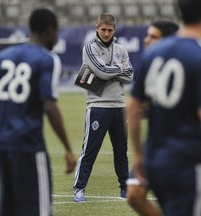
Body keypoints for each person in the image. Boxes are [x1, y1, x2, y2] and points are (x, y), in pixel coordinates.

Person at [127, 0, 201, 215]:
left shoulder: (153, 52)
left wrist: (138, 155)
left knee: (144, 200)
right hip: (187, 159)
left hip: (153, 155)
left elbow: (132, 107)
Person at [0, 8, 76, 216]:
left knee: (9, 209)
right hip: (28, 146)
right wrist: (68, 148)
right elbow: (49, 106)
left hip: (1, 146)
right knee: (39, 210)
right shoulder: (46, 59)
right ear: (51, 31)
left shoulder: (4, 56)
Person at [73, 13, 133, 202]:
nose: (106, 33)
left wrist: (111, 71)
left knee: (121, 151)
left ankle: (125, 188)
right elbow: (102, 71)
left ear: (114, 30)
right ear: (96, 28)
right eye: (103, 30)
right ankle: (79, 189)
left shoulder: (121, 49)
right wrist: (118, 69)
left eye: (110, 30)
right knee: (90, 150)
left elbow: (130, 75)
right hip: (98, 105)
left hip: (119, 105)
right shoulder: (89, 48)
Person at [126, 20, 179, 216]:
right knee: (134, 194)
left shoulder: (189, 63)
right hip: (155, 144)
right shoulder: (147, 64)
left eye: (153, 37)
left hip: (182, 146)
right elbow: (137, 105)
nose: (145, 40)